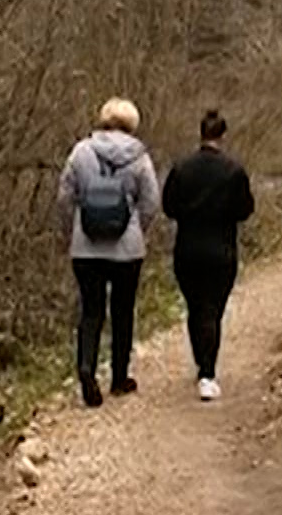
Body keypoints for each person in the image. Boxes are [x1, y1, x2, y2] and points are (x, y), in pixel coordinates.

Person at [57, 96, 161, 407]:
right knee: (122, 310)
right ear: (132, 122)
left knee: (90, 311)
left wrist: (72, 230)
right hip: (127, 250)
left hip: (85, 247)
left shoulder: (80, 151)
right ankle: (119, 377)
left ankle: (87, 370)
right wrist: (135, 229)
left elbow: (64, 197)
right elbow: (151, 201)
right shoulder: (140, 157)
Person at [162, 109, 254, 402]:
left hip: (187, 248)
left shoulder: (181, 168)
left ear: (200, 133)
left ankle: (201, 362)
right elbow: (245, 210)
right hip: (221, 250)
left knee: (195, 307)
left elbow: (169, 207)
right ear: (223, 136)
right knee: (213, 310)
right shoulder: (234, 170)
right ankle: (207, 373)